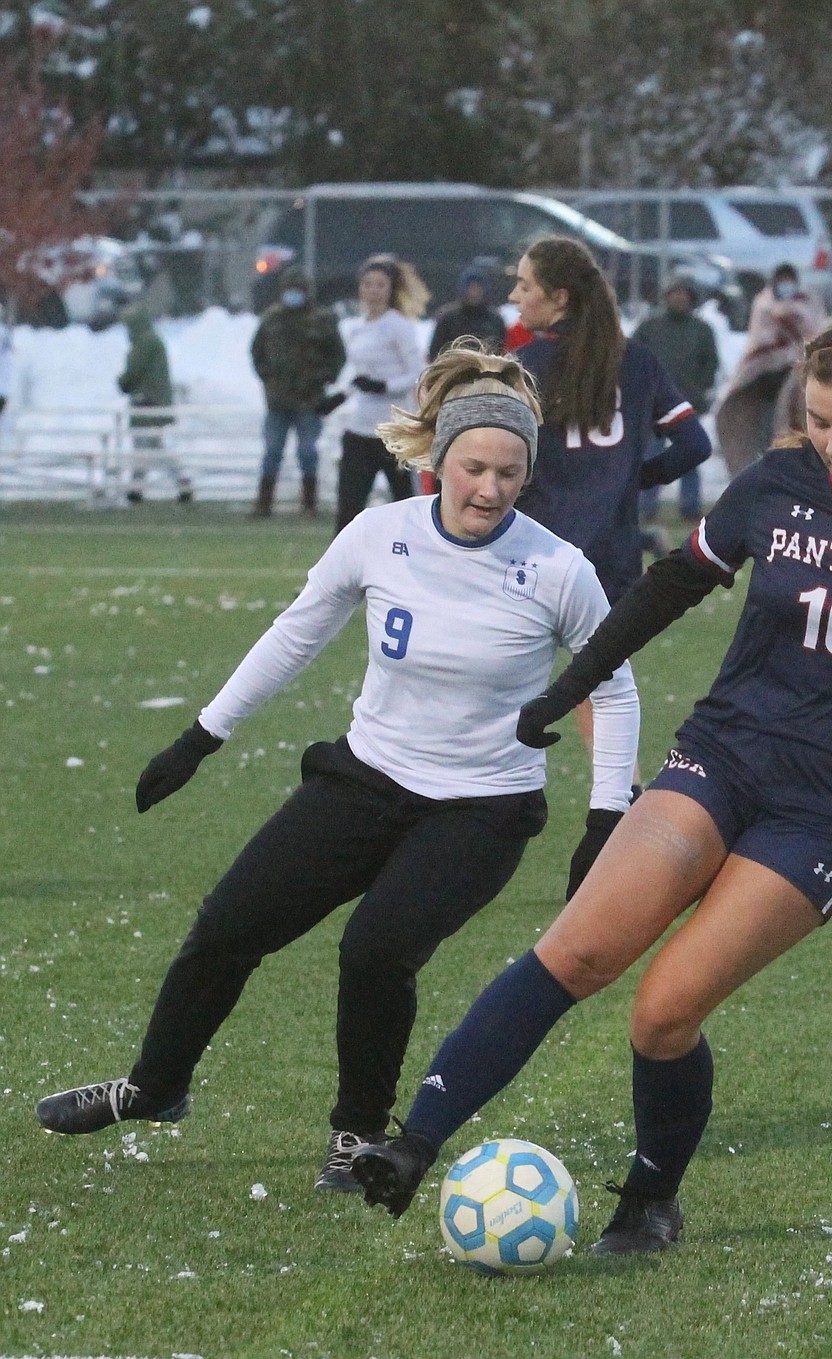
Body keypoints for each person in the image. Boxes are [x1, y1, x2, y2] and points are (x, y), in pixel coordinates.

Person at [350, 311, 832, 1255]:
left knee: (664, 1010)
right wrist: (565, 689)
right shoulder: (778, 484)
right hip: (724, 756)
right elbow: (670, 585)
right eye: (819, 421)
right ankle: (415, 1143)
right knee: (578, 950)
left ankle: (651, 1198)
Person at [35, 344, 640, 1199]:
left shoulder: (558, 569)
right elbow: (295, 633)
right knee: (227, 926)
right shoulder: (379, 534)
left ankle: (357, 1132)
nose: (491, 489)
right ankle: (153, 1085)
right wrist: (202, 736)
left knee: (376, 949)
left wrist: (606, 816)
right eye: (474, 467)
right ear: (439, 459)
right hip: (364, 778)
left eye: (511, 472)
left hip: (481, 809)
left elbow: (612, 688)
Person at [506, 235, 711, 773]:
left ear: (560, 298)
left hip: (531, 551)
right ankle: (624, 802)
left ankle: (477, 797)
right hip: (611, 556)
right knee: (600, 684)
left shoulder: (521, 366)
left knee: (501, 683)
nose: (514, 295)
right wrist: (632, 476)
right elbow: (695, 445)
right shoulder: (637, 361)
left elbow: (499, 461)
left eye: (525, 285)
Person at [331, 255, 428, 535]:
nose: (373, 291)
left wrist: (384, 386)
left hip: (394, 430)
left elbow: (417, 372)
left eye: (380, 285)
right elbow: (360, 374)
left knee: (408, 504)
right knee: (349, 506)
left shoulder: (398, 325)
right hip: (360, 428)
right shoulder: (356, 327)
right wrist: (340, 395)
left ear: (390, 290)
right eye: (367, 284)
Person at [248, 264, 346, 518]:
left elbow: (337, 354)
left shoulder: (322, 319)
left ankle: (309, 504)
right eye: (290, 289)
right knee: (272, 451)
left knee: (307, 452)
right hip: (277, 401)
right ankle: (264, 502)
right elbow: (257, 352)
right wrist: (268, 378)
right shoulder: (271, 319)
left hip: (309, 400)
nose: (294, 294)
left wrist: (327, 377)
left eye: (298, 289)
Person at [715, 262, 823, 478]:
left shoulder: (808, 301)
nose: (786, 285)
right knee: (759, 422)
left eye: (789, 280)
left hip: (799, 377)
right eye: (782, 280)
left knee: (794, 420)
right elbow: (760, 339)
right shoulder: (763, 303)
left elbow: (815, 331)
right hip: (763, 379)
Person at [632, 273, 720, 524]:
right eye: (675, 293)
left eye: (684, 293)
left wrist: (700, 387)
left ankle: (689, 508)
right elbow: (632, 359)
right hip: (652, 406)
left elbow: (711, 364)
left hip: (687, 406)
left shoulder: (702, 330)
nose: (679, 298)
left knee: (690, 457)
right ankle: (645, 508)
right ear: (666, 295)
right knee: (651, 455)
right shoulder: (650, 327)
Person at [117, 306, 192, 505]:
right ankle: (180, 482)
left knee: (143, 445)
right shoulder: (152, 340)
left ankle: (136, 488)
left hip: (146, 403)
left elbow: (133, 372)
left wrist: (123, 382)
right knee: (154, 446)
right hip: (155, 402)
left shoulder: (144, 343)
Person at [427, 265, 507, 361]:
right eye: (470, 288)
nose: (474, 293)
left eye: (478, 288)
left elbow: (503, 350)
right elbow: (435, 353)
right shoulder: (448, 318)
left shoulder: (495, 320)